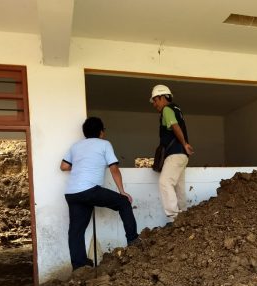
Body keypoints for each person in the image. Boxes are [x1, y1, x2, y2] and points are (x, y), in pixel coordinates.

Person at [60, 117, 139, 270]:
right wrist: (122, 191)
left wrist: (81, 166)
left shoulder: (76, 146)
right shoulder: (104, 144)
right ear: (101, 132)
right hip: (89, 190)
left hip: (72, 193)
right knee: (124, 202)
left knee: (76, 231)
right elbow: (114, 169)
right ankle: (133, 241)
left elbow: (64, 166)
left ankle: (79, 267)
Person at [150, 84, 194, 224]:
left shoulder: (167, 109)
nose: (154, 104)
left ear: (162, 97)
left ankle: (174, 217)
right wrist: (184, 146)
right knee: (179, 186)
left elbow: (175, 126)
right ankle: (184, 214)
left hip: (175, 154)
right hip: (182, 156)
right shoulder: (177, 109)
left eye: (155, 100)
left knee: (164, 182)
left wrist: (184, 144)